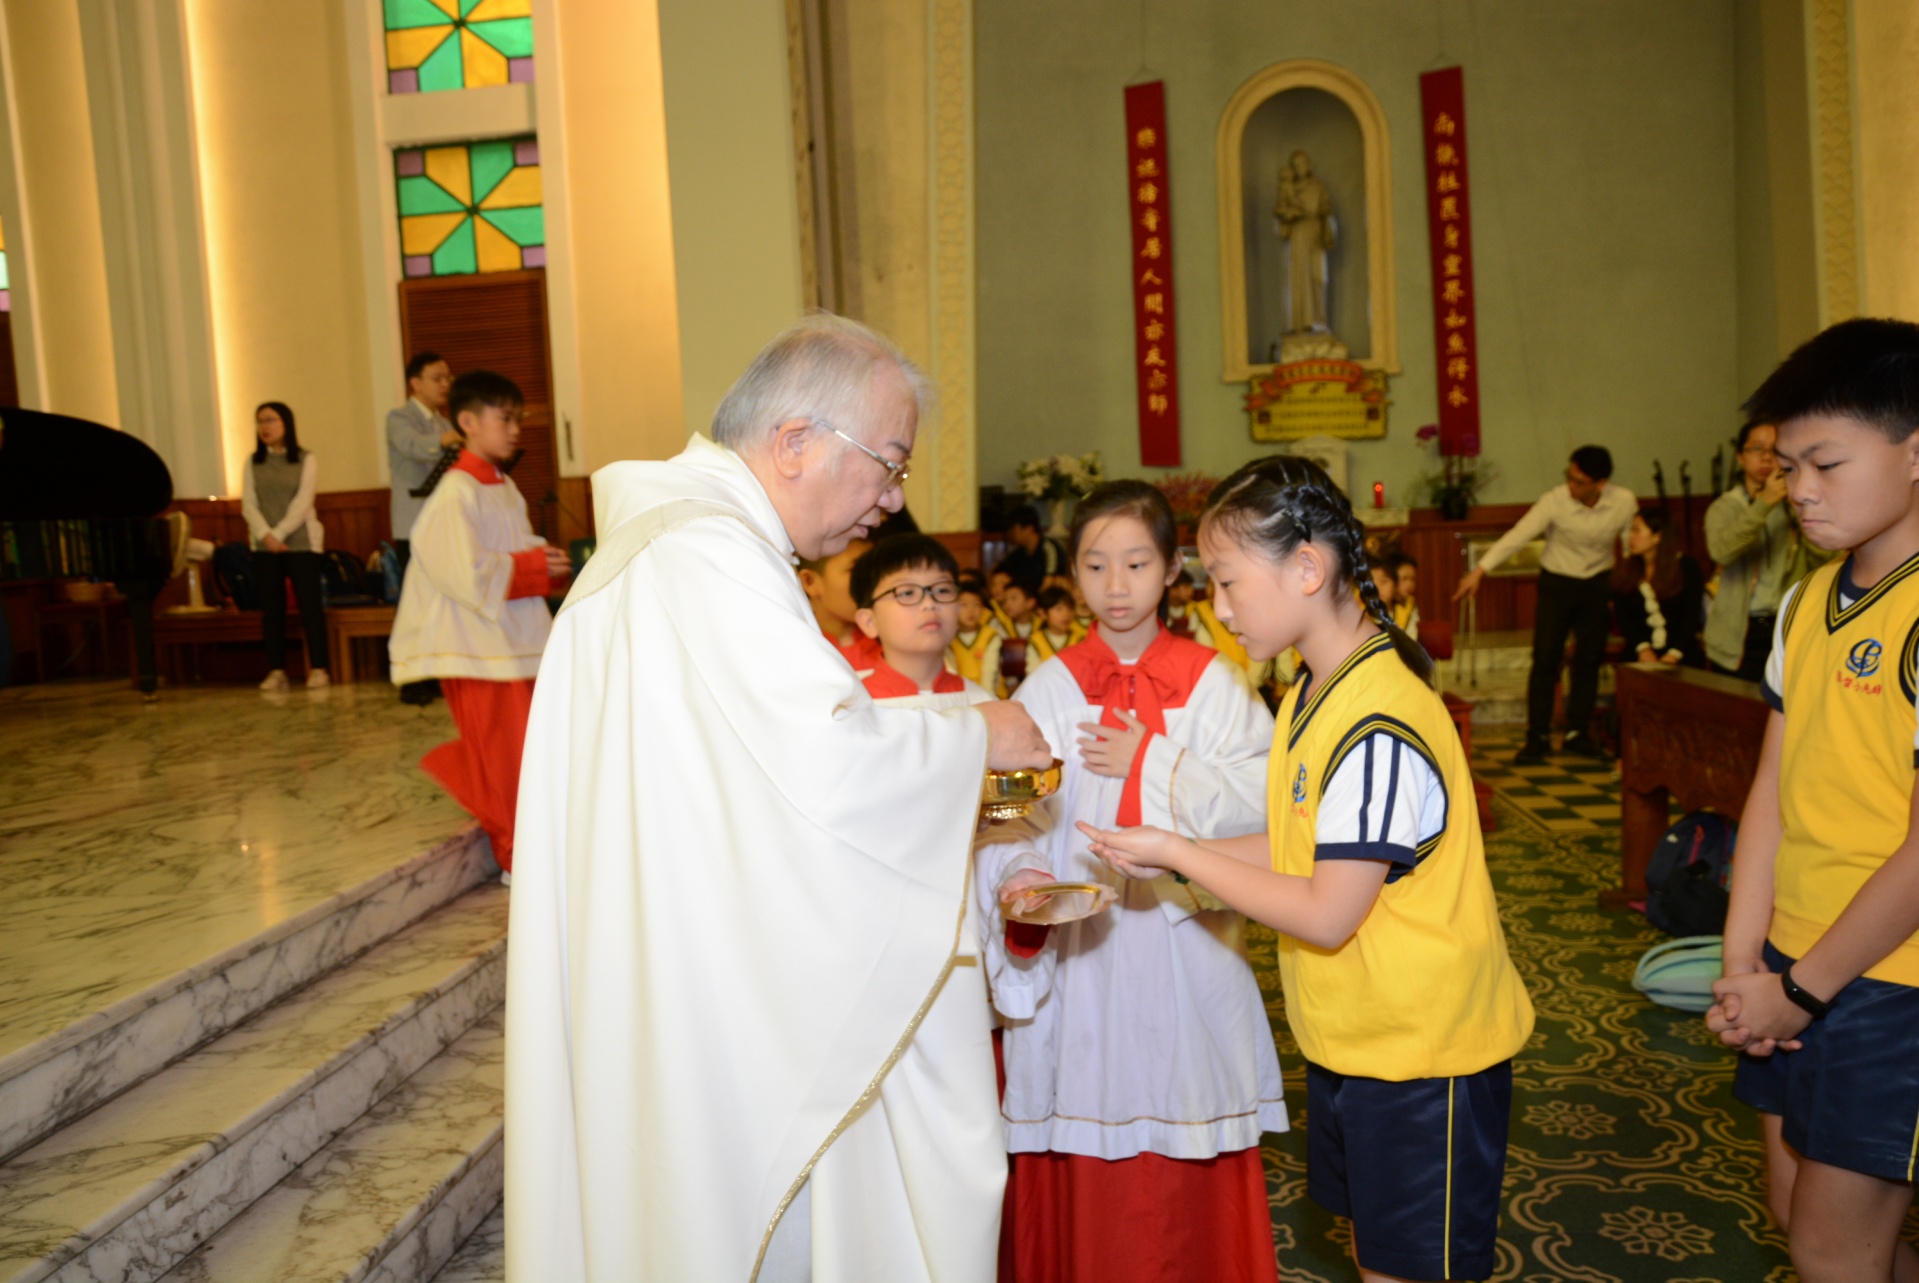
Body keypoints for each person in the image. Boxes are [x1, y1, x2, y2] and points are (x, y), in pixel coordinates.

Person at [503, 314, 1051, 1282]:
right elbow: (825, 771)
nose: (892, 499)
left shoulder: (674, 547)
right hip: (716, 1005)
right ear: (795, 440)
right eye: (888, 463)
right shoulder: (708, 558)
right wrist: (977, 737)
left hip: (685, 966)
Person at [1084, 455, 1534, 1283]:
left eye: (1227, 582)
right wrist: (1162, 854)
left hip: (1422, 1057)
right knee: (1376, 1256)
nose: (1218, 608)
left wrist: (1181, 853)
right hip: (1355, 1041)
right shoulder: (1308, 691)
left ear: (1305, 567)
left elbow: (1328, 912)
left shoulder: (1377, 720)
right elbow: (1299, 849)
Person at [979, 479, 1284, 1283]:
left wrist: (1155, 759)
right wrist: (1024, 877)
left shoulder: (1214, 681)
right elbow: (1009, 814)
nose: (1115, 585)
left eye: (1137, 563)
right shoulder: (1048, 686)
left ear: (1173, 567)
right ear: (1071, 571)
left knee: (1185, 1107)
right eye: (1095, 565)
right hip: (1083, 950)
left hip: (1186, 946)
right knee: (1083, 1106)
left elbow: (1267, 805)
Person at [1707, 318, 1919, 1283]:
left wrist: (1798, 991)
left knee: (1832, 1248)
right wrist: (1743, 959)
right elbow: (1772, 790)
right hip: (1794, 956)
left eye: (1826, 463)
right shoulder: (1806, 601)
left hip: (1892, 976)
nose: (1798, 489)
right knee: (1799, 1214)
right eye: (1787, 465)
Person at [835, 533, 1007, 1280]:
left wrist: (1021, 879)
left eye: (941, 590)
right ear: (866, 618)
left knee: (964, 1138)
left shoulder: (986, 707)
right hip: (865, 946)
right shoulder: (845, 706)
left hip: (958, 945)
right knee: (864, 1139)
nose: (928, 605)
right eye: (905, 593)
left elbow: (1015, 823)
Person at [388, 371, 569, 883]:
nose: (515, 429)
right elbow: (462, 572)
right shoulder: (455, 492)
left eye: (518, 419)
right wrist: (531, 567)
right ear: (467, 422)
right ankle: (516, 857)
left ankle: (539, 844)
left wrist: (543, 559)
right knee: (502, 753)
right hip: (474, 646)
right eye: (504, 418)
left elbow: (510, 547)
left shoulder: (503, 486)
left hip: (512, 639)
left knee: (530, 747)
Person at [1453, 445, 1637, 764]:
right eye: (1569, 477)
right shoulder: (1555, 500)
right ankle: (1537, 735)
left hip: (1597, 583)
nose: (1571, 485)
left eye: (1579, 481)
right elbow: (1519, 535)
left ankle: (1577, 732)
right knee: (1545, 658)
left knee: (1589, 659)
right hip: (1557, 583)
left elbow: (1630, 545)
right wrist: (1480, 571)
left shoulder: (1624, 502)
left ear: (1601, 484)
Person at [244, 401, 330, 692]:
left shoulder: (306, 458)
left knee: (309, 607)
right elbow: (248, 504)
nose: (264, 427)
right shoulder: (252, 462)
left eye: (270, 420)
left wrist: (279, 533)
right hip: (264, 546)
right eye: (260, 421)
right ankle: (277, 670)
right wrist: (266, 535)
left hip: (302, 543)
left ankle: (319, 668)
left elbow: (303, 501)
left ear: (286, 424)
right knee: (271, 610)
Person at [387, 350, 458, 706]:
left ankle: (434, 675)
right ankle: (411, 680)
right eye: (437, 378)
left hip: (442, 526)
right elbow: (413, 447)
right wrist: (457, 437)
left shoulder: (444, 423)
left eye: (448, 378)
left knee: (439, 603)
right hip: (412, 525)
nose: (445, 384)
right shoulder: (399, 418)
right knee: (414, 605)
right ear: (415, 383)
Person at [1703, 420, 1798, 680]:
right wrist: (1764, 503)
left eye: (1774, 450)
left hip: (1786, 627)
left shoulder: (1796, 505)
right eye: (1757, 449)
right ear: (1741, 457)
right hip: (1738, 634)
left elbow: (1827, 556)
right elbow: (1722, 552)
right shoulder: (1725, 507)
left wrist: (1798, 508)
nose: (1766, 457)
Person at [1611, 510, 1704, 668]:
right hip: (1639, 654)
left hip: (1682, 653)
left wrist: (1674, 654)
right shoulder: (1626, 570)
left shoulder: (1686, 567)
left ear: (1657, 536)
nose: (1630, 536)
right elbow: (1623, 617)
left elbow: (1691, 615)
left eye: (1636, 530)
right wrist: (1643, 648)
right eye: (1631, 530)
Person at [800, 537, 883, 671]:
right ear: (810, 582)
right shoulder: (798, 650)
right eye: (856, 570)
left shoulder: (896, 638)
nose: (874, 581)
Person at [950, 578, 1004, 697]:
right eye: (964, 605)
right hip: (959, 697)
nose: (971, 610)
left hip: (990, 695)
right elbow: (951, 673)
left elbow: (990, 673)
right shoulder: (948, 638)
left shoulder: (991, 635)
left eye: (976, 605)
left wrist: (985, 700)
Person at [996, 505, 1067, 588]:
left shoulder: (1049, 548)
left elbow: (1049, 582)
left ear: (1029, 529)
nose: (1010, 533)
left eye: (1013, 528)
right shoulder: (1016, 553)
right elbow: (996, 571)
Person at [995, 576, 1040, 693]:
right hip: (1009, 686)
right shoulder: (1000, 628)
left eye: (1013, 598)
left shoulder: (1042, 626)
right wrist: (1011, 682)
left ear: (1030, 603)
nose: (1008, 604)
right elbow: (1000, 659)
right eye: (1005, 600)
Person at [1025, 584, 1086, 664]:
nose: (1066, 614)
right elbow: (1033, 670)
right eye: (1059, 609)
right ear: (1043, 613)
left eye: (1070, 608)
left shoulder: (1080, 640)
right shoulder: (1035, 641)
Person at [1386, 552, 1420, 633]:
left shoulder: (1411, 605)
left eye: (1412, 579)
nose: (1409, 584)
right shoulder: (1386, 607)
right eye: (1404, 578)